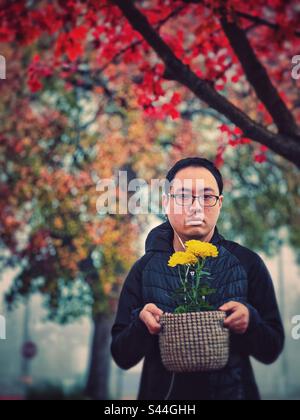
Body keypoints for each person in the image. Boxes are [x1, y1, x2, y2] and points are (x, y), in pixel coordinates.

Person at [111, 157, 284, 400]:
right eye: (183, 196)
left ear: (220, 204)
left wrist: (251, 322)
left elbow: (272, 349)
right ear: (166, 203)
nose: (196, 207)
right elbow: (121, 355)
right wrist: (141, 325)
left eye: (207, 196)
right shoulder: (143, 270)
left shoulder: (247, 264)